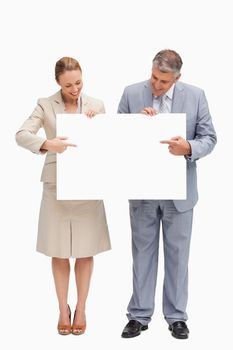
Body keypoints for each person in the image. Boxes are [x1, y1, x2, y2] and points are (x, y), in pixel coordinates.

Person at [118, 49, 217, 339]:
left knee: (178, 256)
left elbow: (209, 137)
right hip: (143, 192)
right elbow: (116, 138)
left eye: (163, 81)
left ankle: (176, 317)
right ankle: (138, 315)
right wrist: (136, 125)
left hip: (180, 193)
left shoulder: (196, 96)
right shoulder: (131, 93)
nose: (156, 85)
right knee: (142, 256)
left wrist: (188, 147)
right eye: (153, 77)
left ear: (177, 78)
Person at [15, 57, 111, 335]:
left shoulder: (97, 104)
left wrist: (98, 125)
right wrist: (47, 143)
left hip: (88, 185)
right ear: (57, 82)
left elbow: (109, 145)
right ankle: (61, 309)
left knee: (85, 250)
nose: (75, 89)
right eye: (68, 84)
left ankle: (81, 308)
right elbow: (21, 134)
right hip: (56, 185)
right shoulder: (45, 104)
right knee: (58, 252)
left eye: (79, 82)